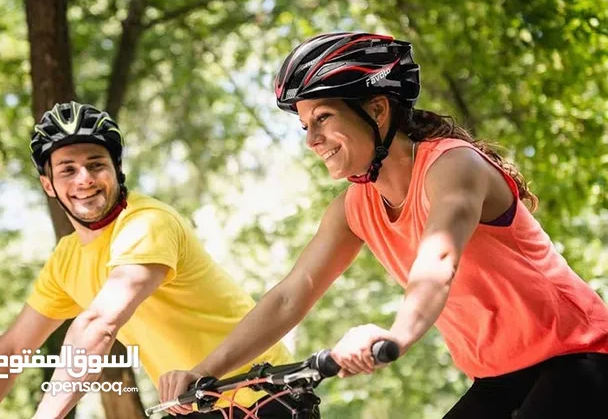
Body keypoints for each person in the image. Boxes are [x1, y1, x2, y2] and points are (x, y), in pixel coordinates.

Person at [157, 32, 608, 418]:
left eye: (323, 118)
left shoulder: (453, 165)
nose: (312, 140)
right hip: (498, 376)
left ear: (376, 110)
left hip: (582, 357)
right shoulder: (355, 206)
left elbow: (439, 259)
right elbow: (291, 295)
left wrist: (395, 336)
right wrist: (205, 372)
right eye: (304, 126)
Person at [0, 101, 306, 419]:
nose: (84, 178)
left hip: (262, 396)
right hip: (198, 405)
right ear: (49, 185)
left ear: (116, 169)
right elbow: (12, 350)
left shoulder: (147, 222)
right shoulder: (66, 259)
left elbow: (99, 325)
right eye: (67, 169)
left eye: (95, 164)